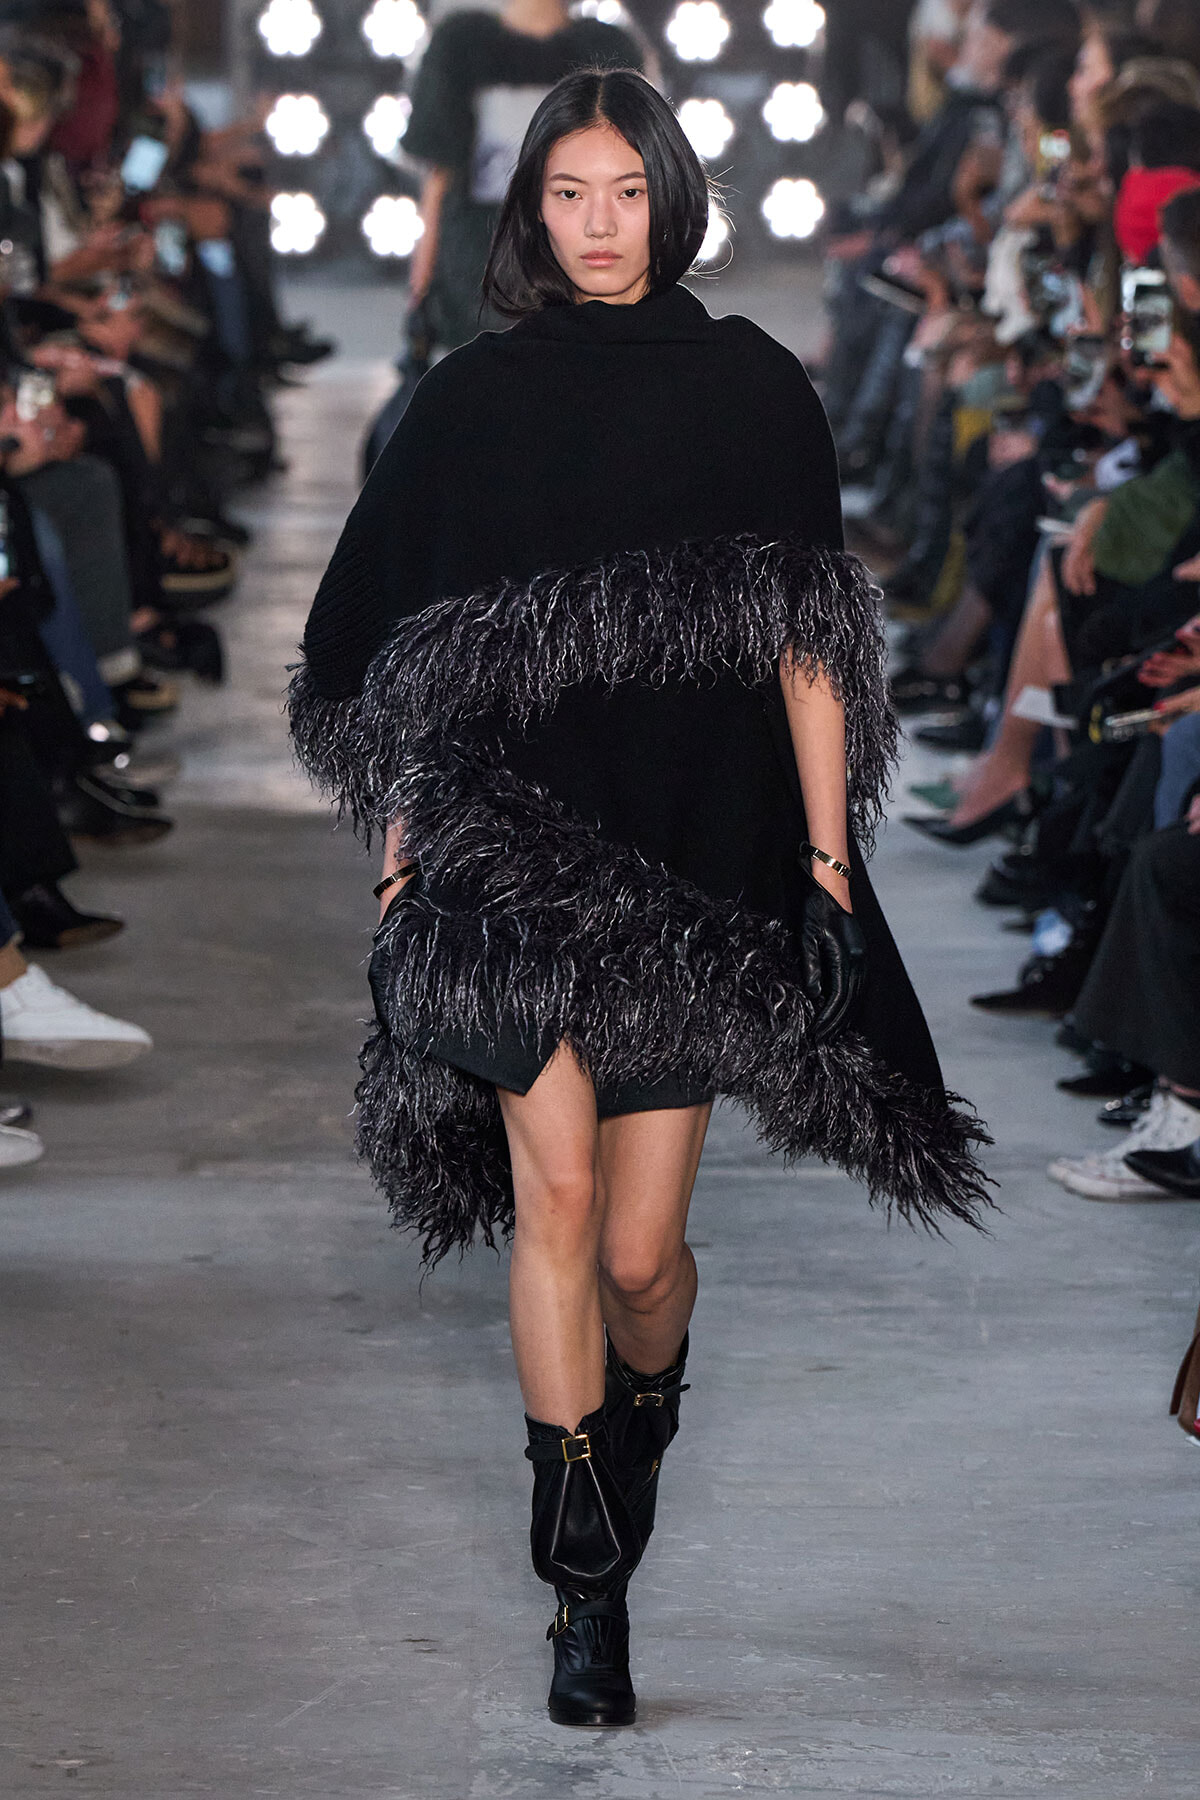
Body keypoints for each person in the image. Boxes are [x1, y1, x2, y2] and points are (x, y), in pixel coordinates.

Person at [291, 70, 991, 1730]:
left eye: (624, 192)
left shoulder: (754, 389)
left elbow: (811, 642)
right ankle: (584, 1589)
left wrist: (825, 869)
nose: (598, 225)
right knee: (551, 1202)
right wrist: (401, 863)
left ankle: (646, 1400)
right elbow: (400, 651)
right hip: (503, 849)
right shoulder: (471, 399)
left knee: (639, 1252)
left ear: (672, 200)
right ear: (529, 212)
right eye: (568, 194)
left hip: (684, 854)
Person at [403, 0, 645, 350]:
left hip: (576, 248)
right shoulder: (460, 48)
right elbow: (441, 171)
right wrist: (422, 278)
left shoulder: (608, 50)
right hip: (479, 261)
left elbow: (633, 170)